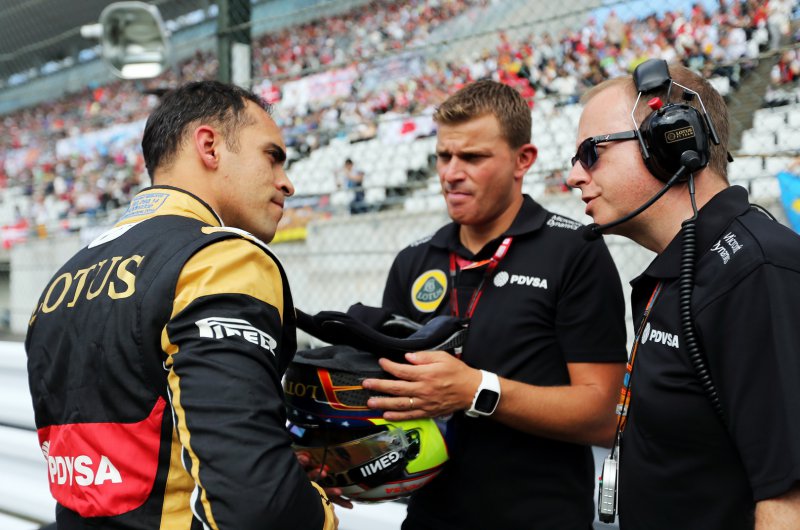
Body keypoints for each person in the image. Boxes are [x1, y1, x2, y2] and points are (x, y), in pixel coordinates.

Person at [25, 81, 338, 530]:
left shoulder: (62, 279)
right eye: (272, 156)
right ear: (209, 147)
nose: (286, 182)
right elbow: (255, 504)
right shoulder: (219, 258)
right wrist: (317, 509)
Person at [361, 79, 628, 529]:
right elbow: (394, 401)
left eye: (472, 157)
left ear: (523, 160)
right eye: (444, 156)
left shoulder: (575, 252)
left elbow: (602, 417)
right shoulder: (413, 260)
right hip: (428, 519)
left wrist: (477, 390)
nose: (451, 173)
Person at [566, 61, 800, 528]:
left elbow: (788, 502)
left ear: (672, 141)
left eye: (591, 153)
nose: (574, 175)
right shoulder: (689, 265)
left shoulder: (756, 270)